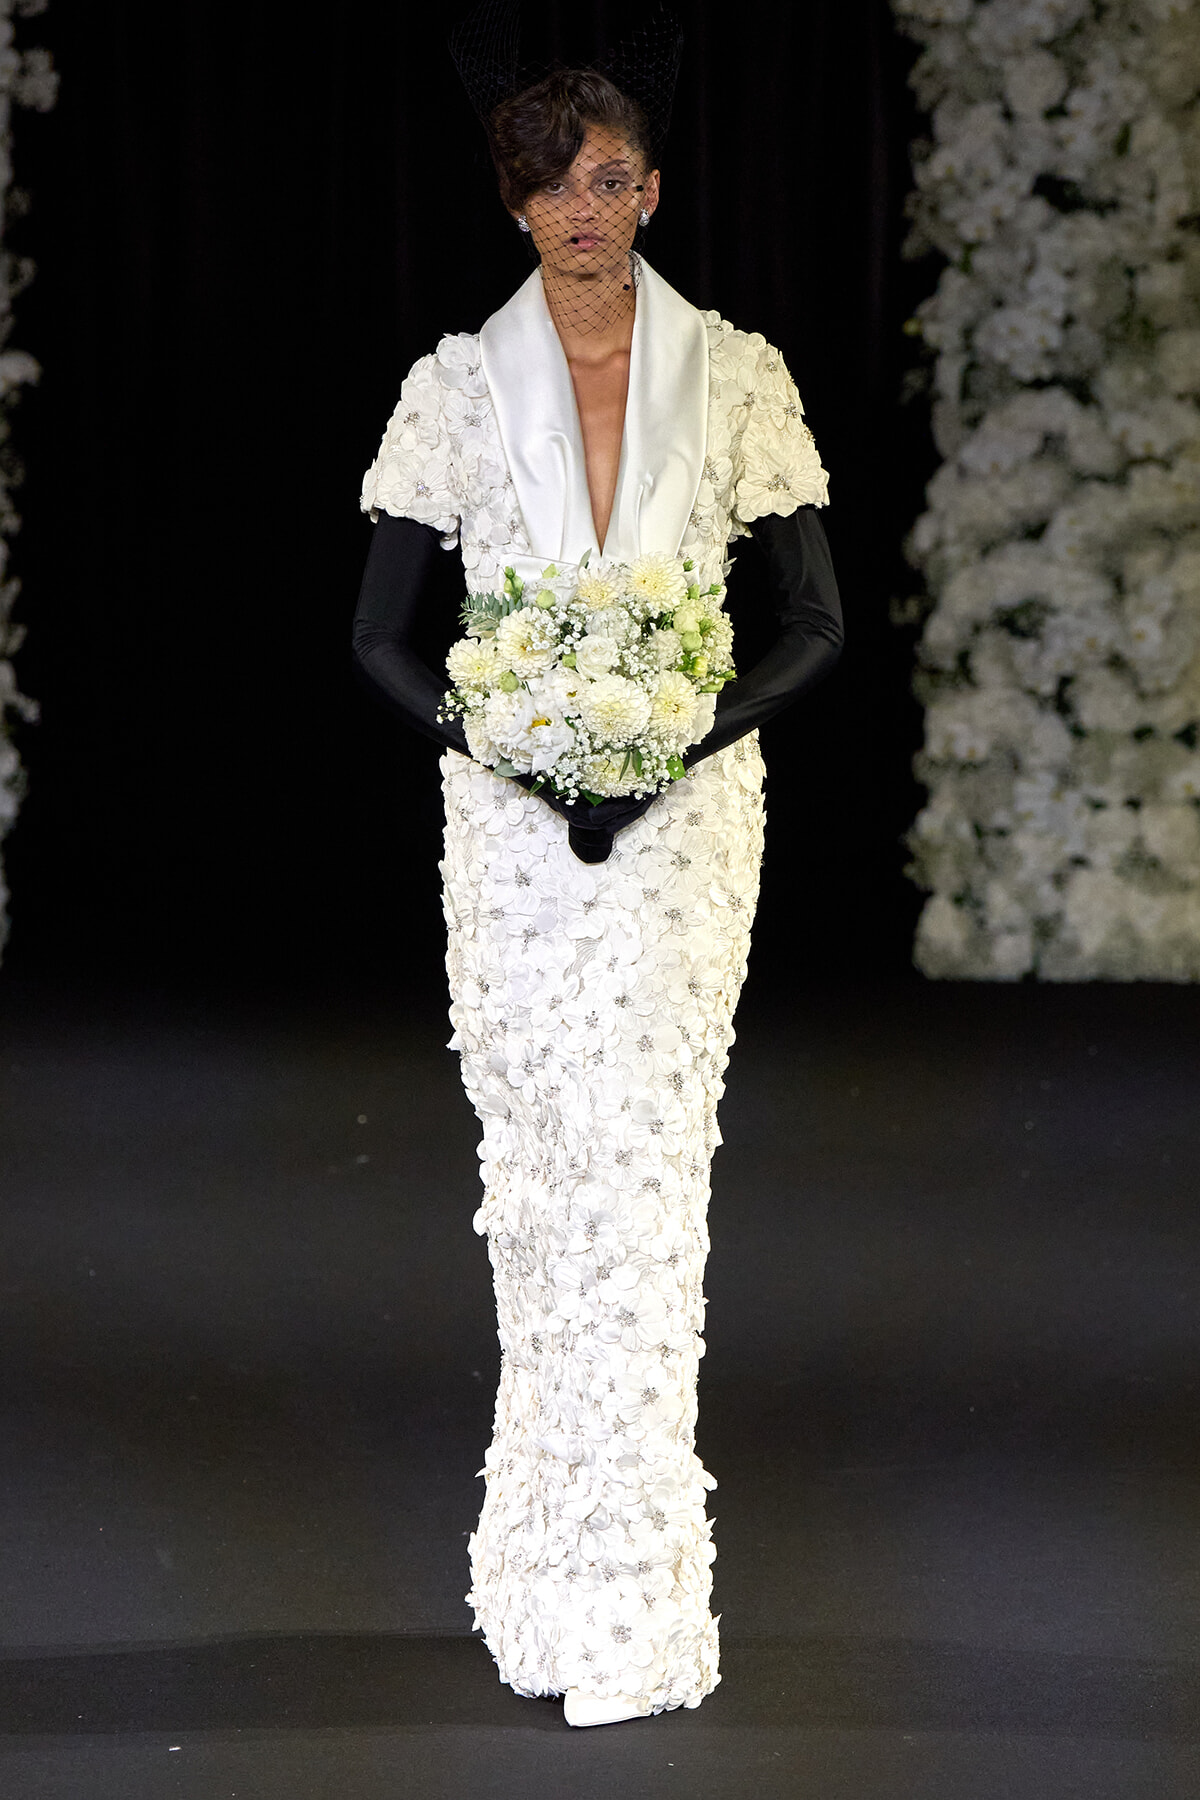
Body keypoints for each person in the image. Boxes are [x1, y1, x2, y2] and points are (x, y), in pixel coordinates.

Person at [351, 65, 843, 1726]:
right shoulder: (453, 388)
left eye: (612, 177)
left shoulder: (742, 378)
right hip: (513, 839)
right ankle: (544, 1581)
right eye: (553, 181)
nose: (584, 207)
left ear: (650, 192)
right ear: (513, 203)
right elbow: (379, 635)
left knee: (647, 1192)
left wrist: (672, 738)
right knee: (547, 1187)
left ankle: (634, 1604)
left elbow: (815, 623)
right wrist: (527, 744)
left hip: (690, 834)